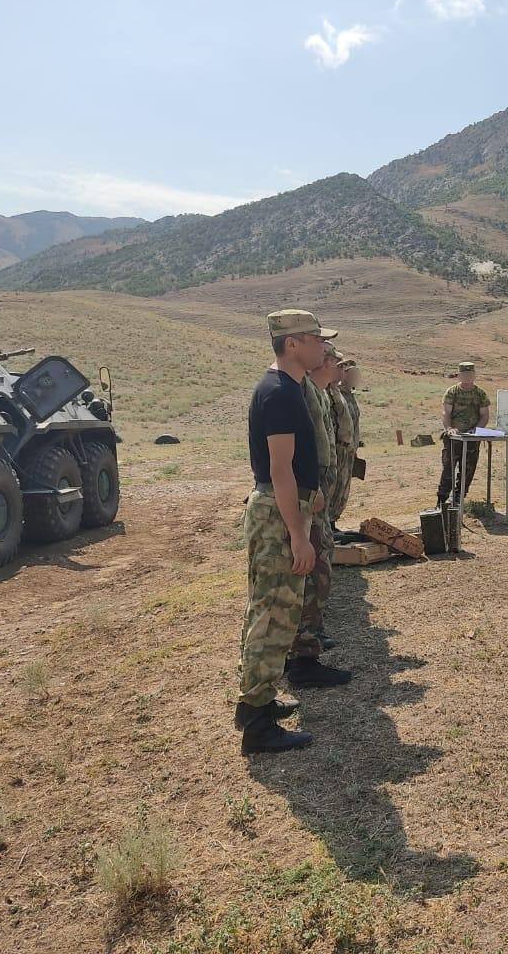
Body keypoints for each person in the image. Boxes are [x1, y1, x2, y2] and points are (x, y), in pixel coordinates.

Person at [236, 309, 337, 754]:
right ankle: (257, 725)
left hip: (287, 506)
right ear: (292, 343)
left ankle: (256, 703)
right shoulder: (278, 391)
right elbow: (279, 469)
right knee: (274, 616)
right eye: (316, 338)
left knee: (270, 609)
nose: (322, 346)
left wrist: (311, 496)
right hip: (279, 513)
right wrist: (298, 535)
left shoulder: (289, 387)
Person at [296, 343, 353, 679]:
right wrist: (312, 487)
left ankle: (310, 637)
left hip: (320, 487)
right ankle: (303, 650)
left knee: (321, 562)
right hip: (310, 491)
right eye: (332, 359)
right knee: (312, 566)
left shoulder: (318, 391)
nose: (334, 364)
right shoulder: (299, 391)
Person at [436, 362, 490, 508]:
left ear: (474, 376)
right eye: (464, 375)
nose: (467, 378)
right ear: (459, 376)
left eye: (470, 375)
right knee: (448, 468)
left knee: (468, 469)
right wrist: (449, 428)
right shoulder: (452, 392)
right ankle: (441, 501)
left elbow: (484, 415)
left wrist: (477, 429)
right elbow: (445, 413)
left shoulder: (480, 394)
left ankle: (458, 499)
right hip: (454, 438)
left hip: (472, 438)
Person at [331, 360, 362, 521]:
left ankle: (333, 519)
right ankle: (329, 521)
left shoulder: (350, 395)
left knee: (344, 487)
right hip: (339, 449)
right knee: (335, 486)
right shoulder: (336, 394)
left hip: (350, 449)